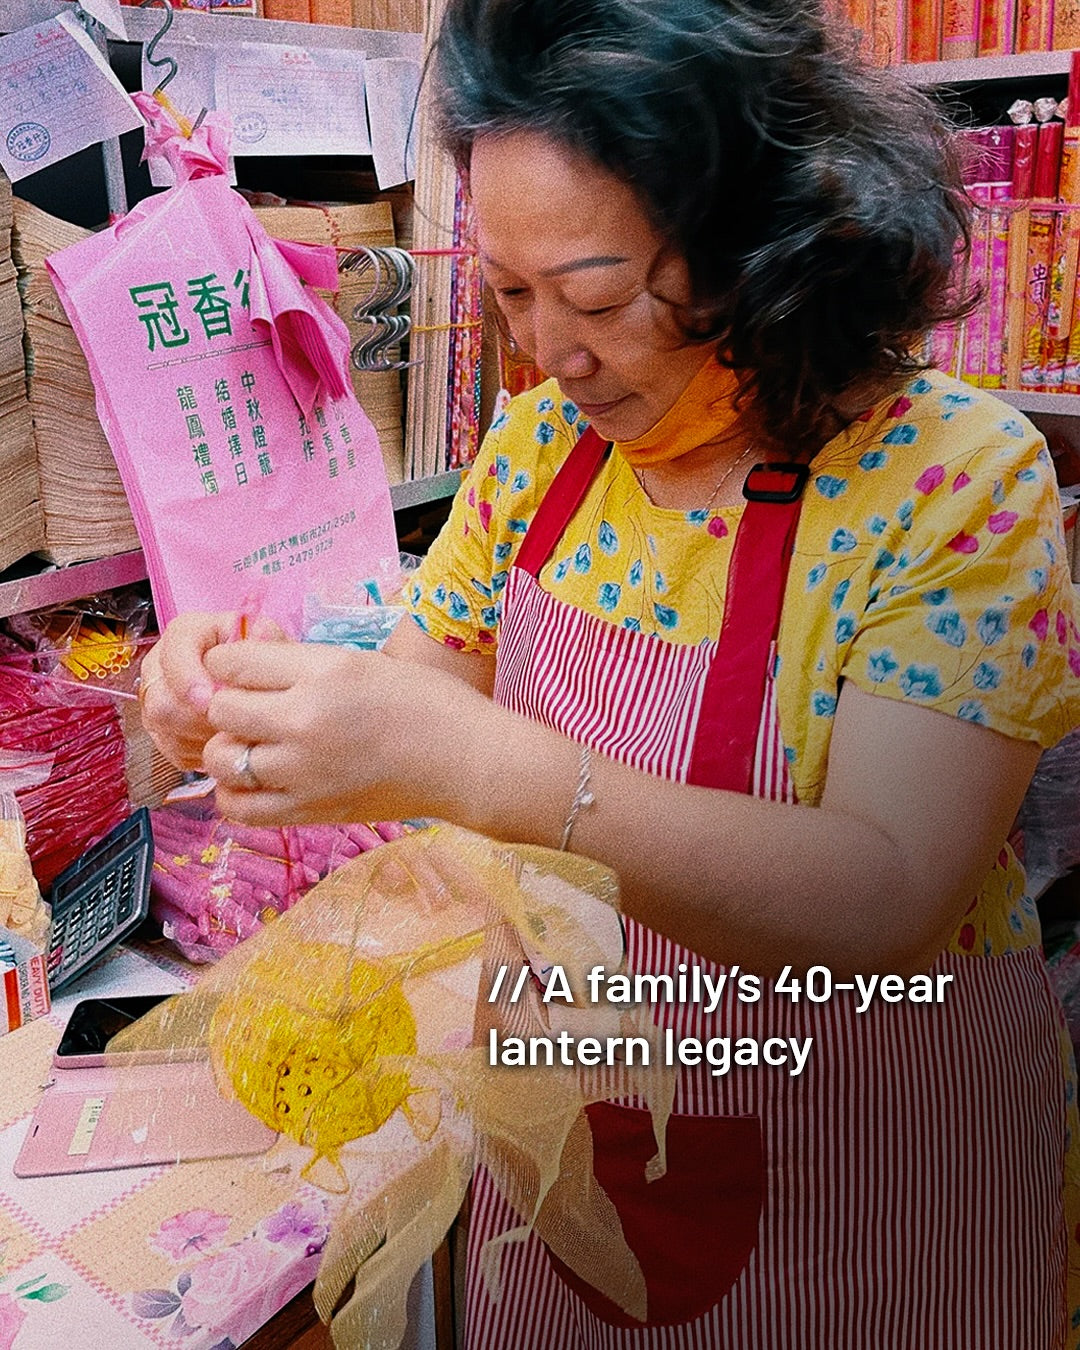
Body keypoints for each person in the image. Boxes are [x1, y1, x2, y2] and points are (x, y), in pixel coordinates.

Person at [140, 0, 1080, 1344]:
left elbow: (886, 893)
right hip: (580, 1141)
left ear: (771, 239)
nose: (548, 353)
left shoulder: (954, 482)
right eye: (510, 295)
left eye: (591, 296)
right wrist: (249, 706)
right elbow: (415, 697)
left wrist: (483, 765)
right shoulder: (540, 455)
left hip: (874, 1170)